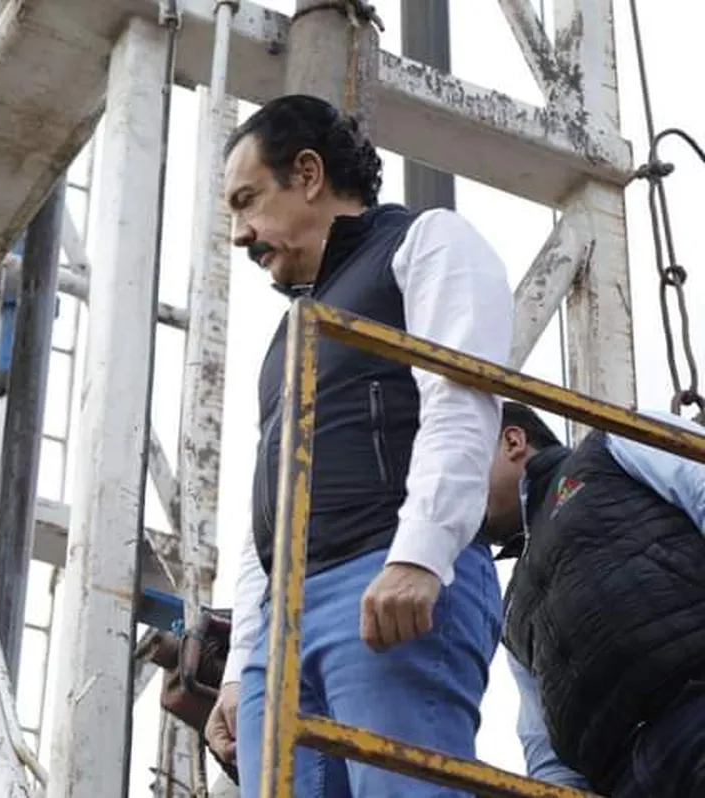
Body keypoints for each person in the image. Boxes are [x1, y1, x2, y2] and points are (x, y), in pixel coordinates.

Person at [203, 93, 514, 797]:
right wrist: (242, 660)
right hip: (283, 627)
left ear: (308, 174)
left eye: (248, 201)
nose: (240, 233)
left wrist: (419, 557)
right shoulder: (288, 338)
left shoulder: (426, 242)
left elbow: (460, 402)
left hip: (386, 580)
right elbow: (271, 515)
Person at [482, 400, 705, 797]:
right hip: (626, 781)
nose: (443, 485)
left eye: (457, 460)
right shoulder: (512, 608)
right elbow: (542, 741)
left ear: (512, 440)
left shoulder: (615, 440)